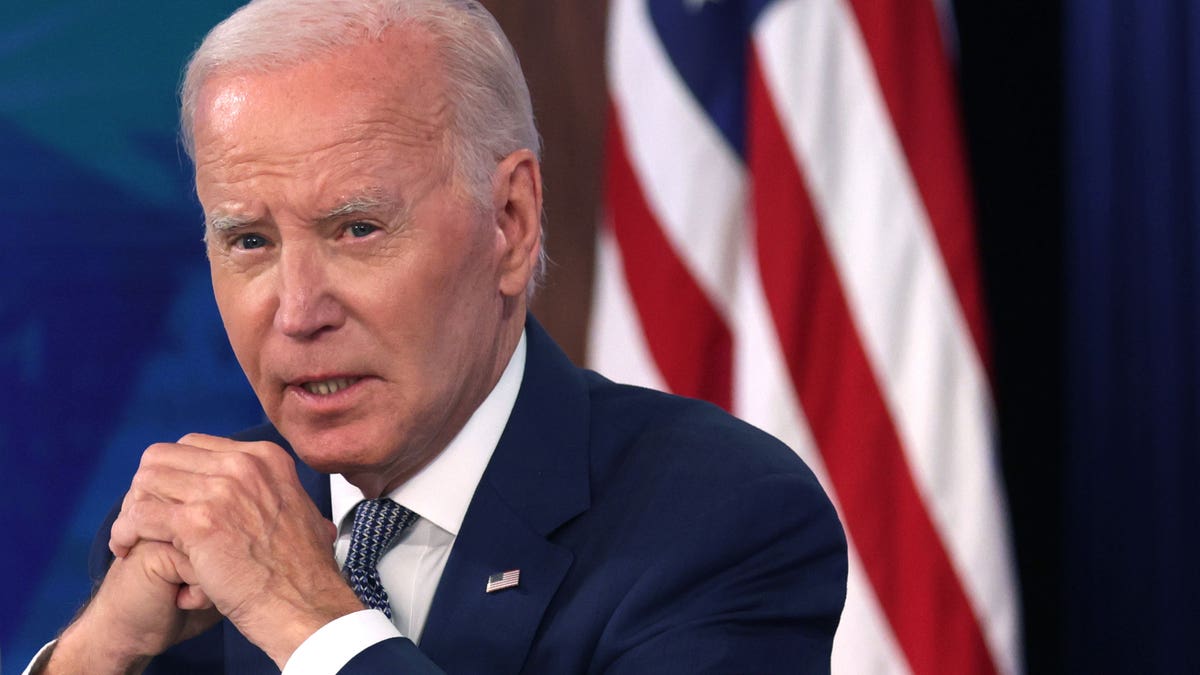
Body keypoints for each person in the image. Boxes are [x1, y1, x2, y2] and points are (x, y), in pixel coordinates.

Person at [31, 0, 847, 672]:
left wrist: (308, 617)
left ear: (511, 222)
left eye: (356, 228)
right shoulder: (198, 529)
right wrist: (96, 651)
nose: (297, 310)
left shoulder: (717, 519)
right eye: (250, 241)